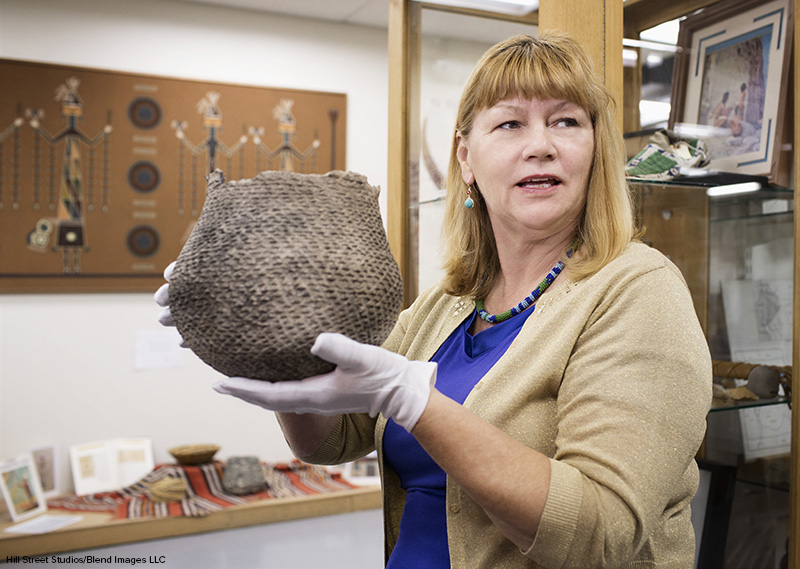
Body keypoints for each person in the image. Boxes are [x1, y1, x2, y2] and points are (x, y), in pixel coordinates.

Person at [157, 32, 712, 568]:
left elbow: (599, 533)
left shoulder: (639, 291)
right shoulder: (449, 302)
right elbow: (335, 439)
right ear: (466, 159)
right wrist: (269, 350)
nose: (540, 145)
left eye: (566, 121)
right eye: (511, 123)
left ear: (594, 149)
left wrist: (416, 403)